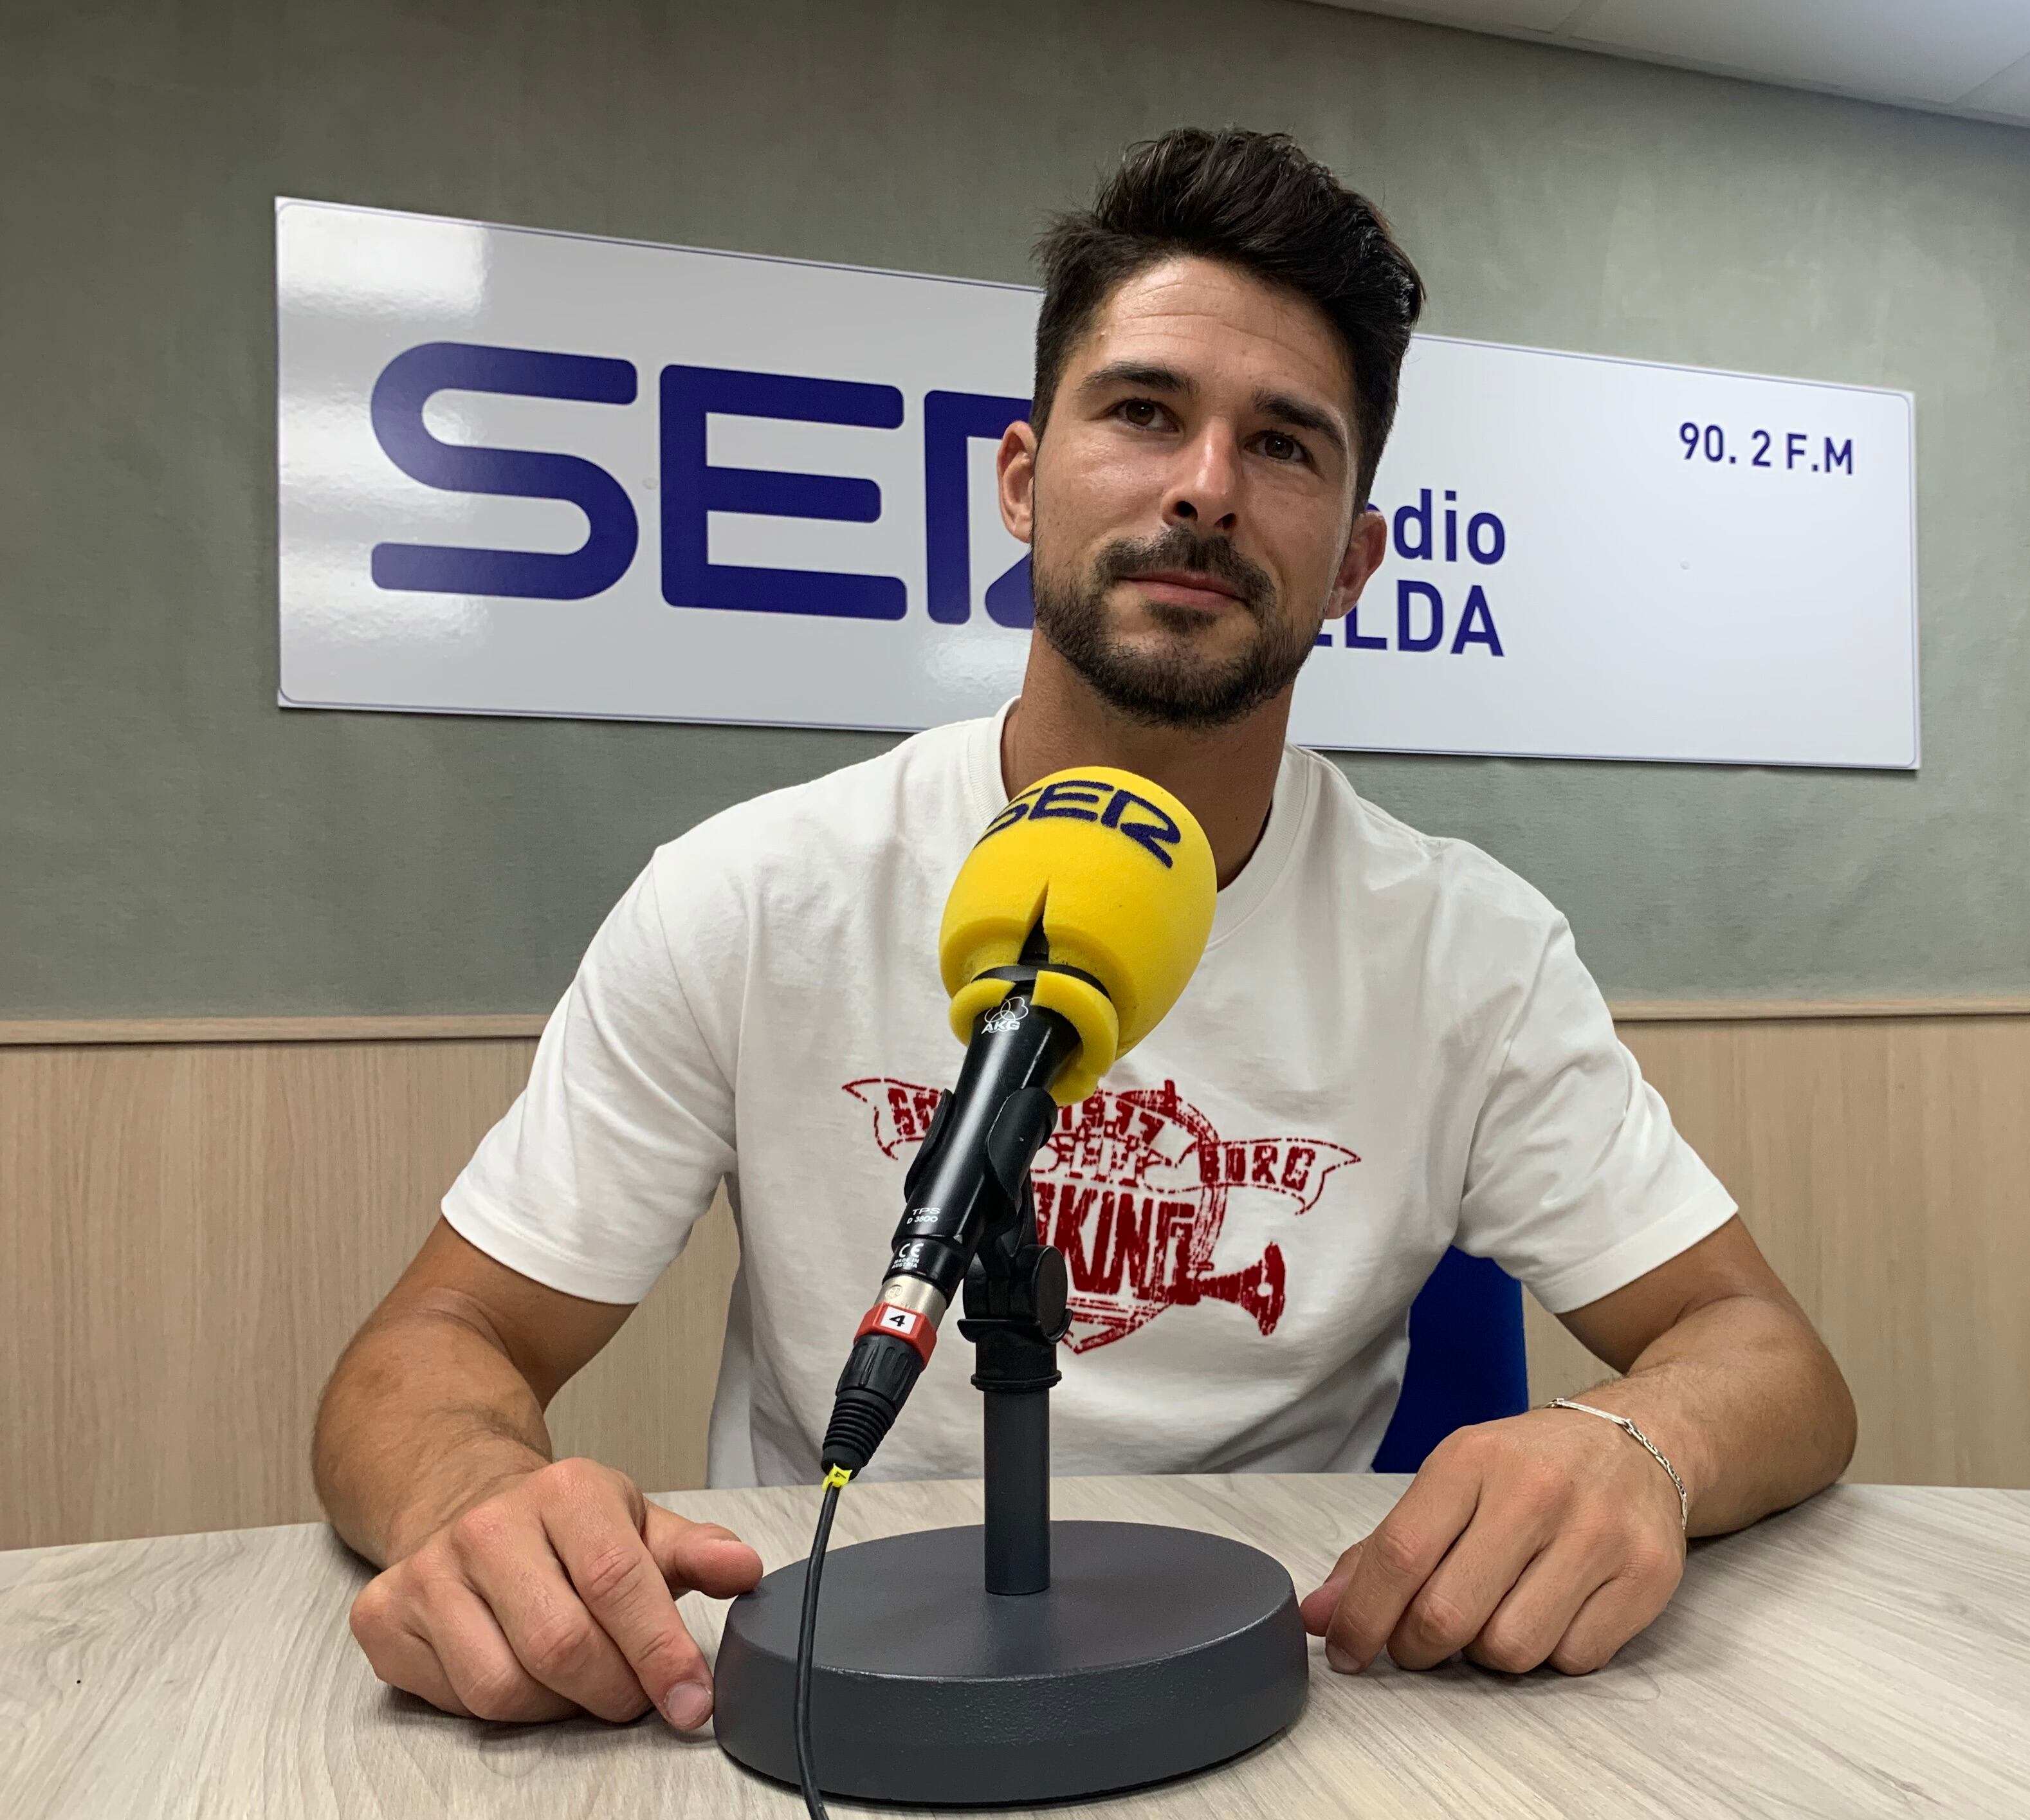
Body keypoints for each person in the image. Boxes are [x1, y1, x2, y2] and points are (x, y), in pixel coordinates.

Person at [315, 127, 1856, 1734]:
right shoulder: (758, 892)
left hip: (1291, 1703)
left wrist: (1641, 1449)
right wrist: (476, 1496)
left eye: (1286, 446)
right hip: (837, 1702)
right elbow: (434, 1346)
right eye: (1142, 413)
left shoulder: (1467, 949)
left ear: (1353, 566)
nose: (1203, 486)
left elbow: (1767, 1355)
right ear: (1022, 478)